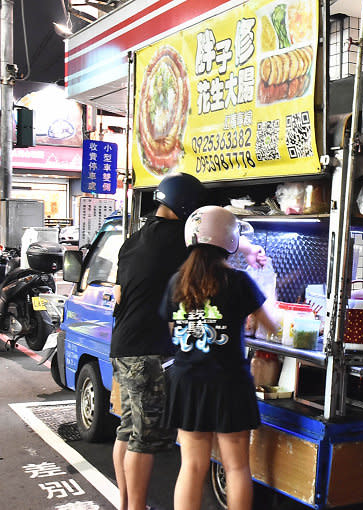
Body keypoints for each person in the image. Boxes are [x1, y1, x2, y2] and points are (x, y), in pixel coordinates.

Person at [110, 173, 267, 510]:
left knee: (130, 429)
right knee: (145, 437)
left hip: (123, 344)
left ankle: (127, 504)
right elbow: (215, 253)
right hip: (150, 351)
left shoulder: (134, 239)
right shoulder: (176, 241)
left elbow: (119, 293)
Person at [160, 206, 278, 510]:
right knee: (236, 467)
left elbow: (174, 328)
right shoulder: (238, 281)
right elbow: (270, 328)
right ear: (231, 240)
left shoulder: (177, 282)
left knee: (192, 466)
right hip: (229, 383)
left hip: (188, 381)